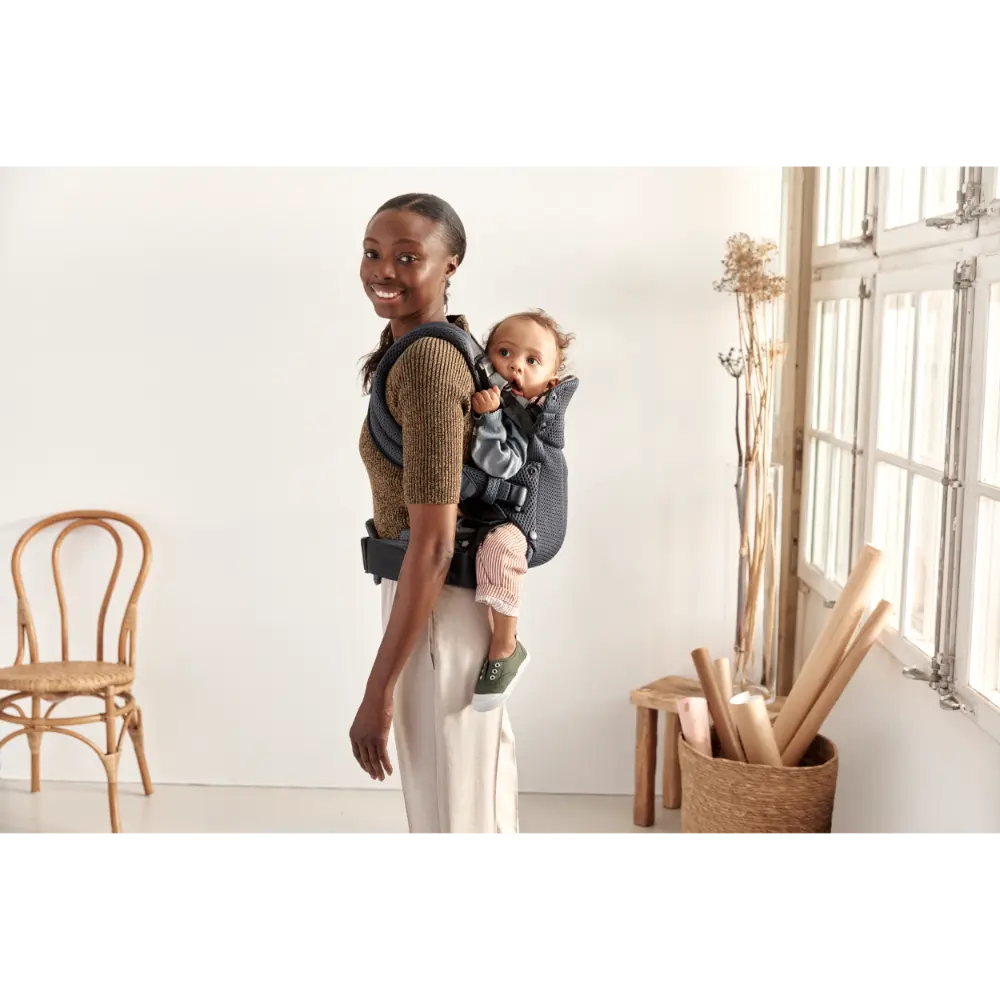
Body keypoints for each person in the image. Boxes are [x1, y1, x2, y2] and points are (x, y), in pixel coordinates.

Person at [351, 192, 519, 838]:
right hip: (434, 604)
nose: (382, 271)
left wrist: (377, 692)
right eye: (372, 253)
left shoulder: (426, 363)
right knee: (462, 801)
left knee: (456, 814)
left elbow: (433, 545)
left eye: (406, 257)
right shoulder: (420, 349)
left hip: (438, 610)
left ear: (451, 265)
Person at [467, 309, 573, 713]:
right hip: (507, 512)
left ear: (551, 381)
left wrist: (490, 418)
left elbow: (502, 463)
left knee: (499, 552)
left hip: (532, 521)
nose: (515, 366)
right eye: (505, 352)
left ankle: (506, 645)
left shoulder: (522, 416)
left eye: (532, 360)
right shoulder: (510, 402)